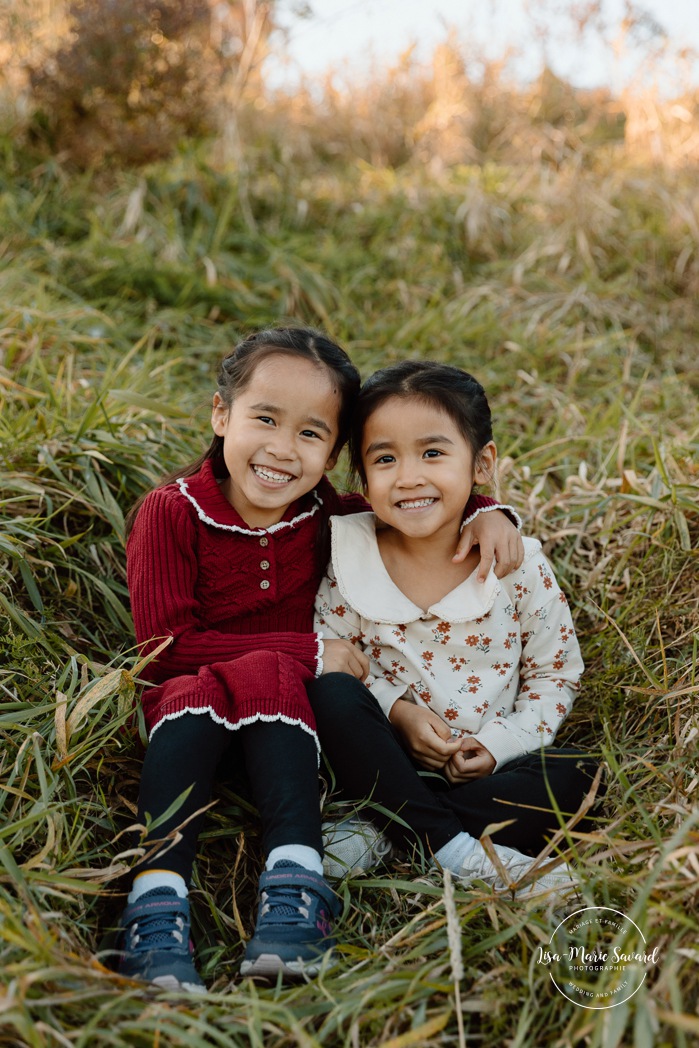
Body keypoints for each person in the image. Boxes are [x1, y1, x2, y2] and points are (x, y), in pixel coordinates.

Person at [113, 329, 523, 992]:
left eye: (311, 434)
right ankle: (155, 903)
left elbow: (413, 506)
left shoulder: (326, 516)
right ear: (222, 415)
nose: (281, 449)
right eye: (265, 419)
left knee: (275, 681)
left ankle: (294, 893)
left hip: (292, 737)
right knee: (231, 679)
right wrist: (309, 650)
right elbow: (162, 649)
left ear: (333, 454)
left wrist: (489, 508)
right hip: (193, 729)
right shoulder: (173, 512)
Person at [310, 360, 602, 897]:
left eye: (433, 453)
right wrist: (398, 714)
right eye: (385, 458)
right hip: (382, 763)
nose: (409, 476)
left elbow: (555, 674)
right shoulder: (349, 557)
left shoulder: (517, 563)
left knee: (580, 775)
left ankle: (390, 832)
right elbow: (338, 660)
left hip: (489, 773)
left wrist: (495, 745)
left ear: (482, 463)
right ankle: (457, 849)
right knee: (331, 694)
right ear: (362, 475)